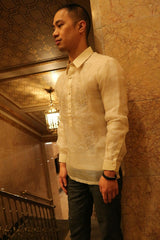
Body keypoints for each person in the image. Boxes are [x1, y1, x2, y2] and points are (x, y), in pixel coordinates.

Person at [53, 3, 128, 240]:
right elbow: (63, 124)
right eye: (53, 27)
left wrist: (109, 173)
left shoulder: (105, 66)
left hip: (102, 174)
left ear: (81, 26)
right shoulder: (61, 81)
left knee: (110, 234)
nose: (54, 32)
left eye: (59, 25)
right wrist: (63, 164)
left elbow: (117, 120)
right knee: (78, 234)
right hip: (74, 175)